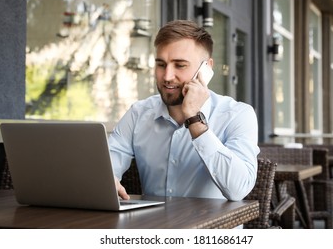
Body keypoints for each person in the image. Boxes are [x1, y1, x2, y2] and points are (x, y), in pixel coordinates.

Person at [108, 19, 259, 201]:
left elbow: (239, 189)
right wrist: (107, 179)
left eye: (180, 65)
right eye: (161, 64)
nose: (167, 76)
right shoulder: (139, 113)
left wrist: (194, 120)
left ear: (206, 69)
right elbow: (108, 163)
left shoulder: (238, 115)